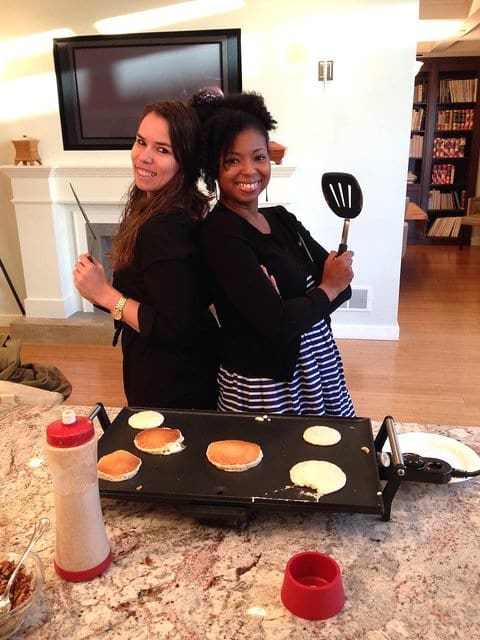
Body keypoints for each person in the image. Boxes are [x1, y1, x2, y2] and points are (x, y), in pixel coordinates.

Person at [191, 91, 355, 416]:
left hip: (317, 364)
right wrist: (324, 289)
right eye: (232, 160)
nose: (249, 170)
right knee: (273, 459)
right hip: (265, 382)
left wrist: (298, 304)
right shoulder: (220, 232)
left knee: (328, 454)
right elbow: (276, 324)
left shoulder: (281, 218)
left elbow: (344, 284)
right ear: (214, 168)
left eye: (259, 157)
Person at [73, 101, 219, 409]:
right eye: (141, 142)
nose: (144, 156)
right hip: (170, 369)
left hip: (173, 382)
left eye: (163, 150)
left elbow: (175, 326)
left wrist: (105, 294)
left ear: (185, 160)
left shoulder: (163, 226)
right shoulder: (158, 203)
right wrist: (101, 295)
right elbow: (157, 296)